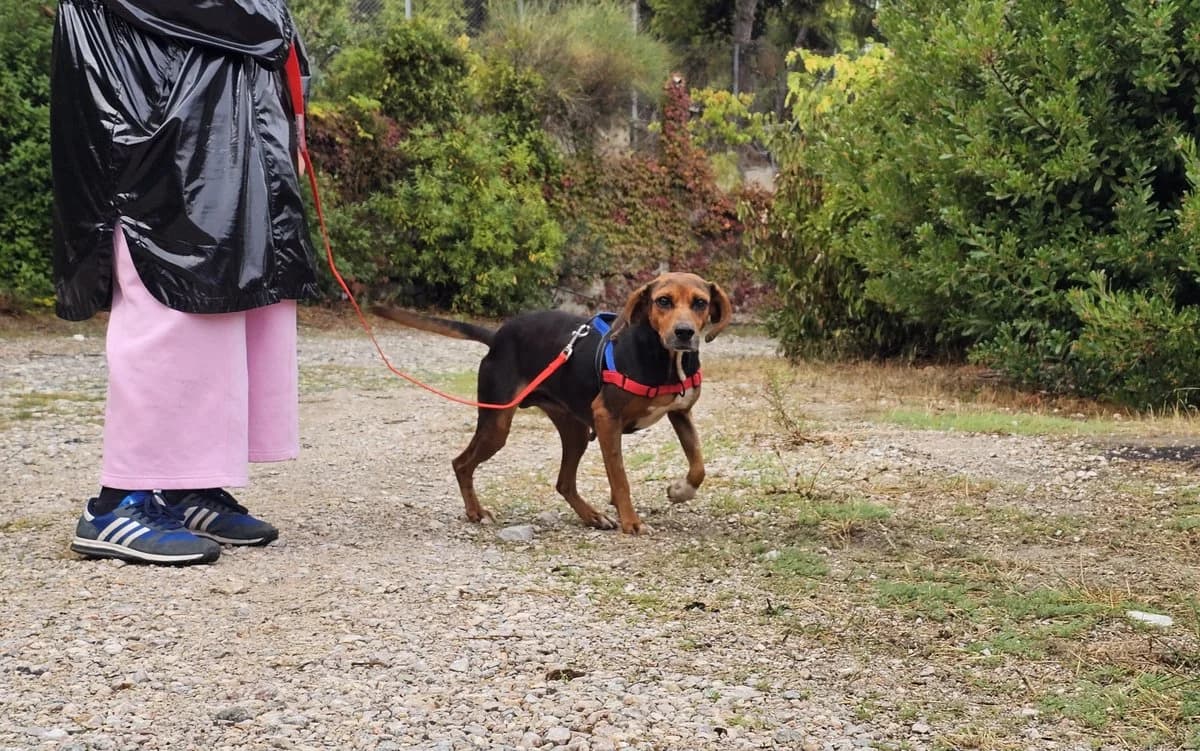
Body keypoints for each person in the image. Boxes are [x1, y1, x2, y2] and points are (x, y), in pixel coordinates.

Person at [50, 0, 319, 565]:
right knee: (170, 306)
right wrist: (272, 20)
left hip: (230, 125)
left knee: (236, 305)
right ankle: (116, 502)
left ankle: (183, 483)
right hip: (160, 124)